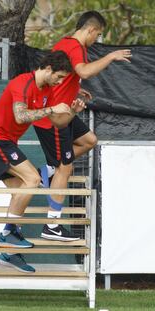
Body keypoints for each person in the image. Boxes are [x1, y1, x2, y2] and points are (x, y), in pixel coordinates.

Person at [0, 51, 85, 273]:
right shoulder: (23, 83)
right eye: (59, 77)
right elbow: (20, 116)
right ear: (48, 69)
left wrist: (72, 112)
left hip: (7, 142)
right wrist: (51, 109)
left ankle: (9, 253)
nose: (60, 81)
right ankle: (7, 234)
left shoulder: (47, 90)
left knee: (20, 193)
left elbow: (57, 122)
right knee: (33, 179)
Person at [32, 11, 132, 242]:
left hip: (65, 109)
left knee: (89, 141)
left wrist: (74, 88)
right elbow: (84, 71)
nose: (96, 39)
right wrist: (111, 56)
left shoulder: (67, 44)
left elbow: (57, 76)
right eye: (97, 34)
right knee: (65, 169)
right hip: (55, 117)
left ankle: (47, 171)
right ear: (90, 30)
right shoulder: (75, 47)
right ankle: (52, 226)